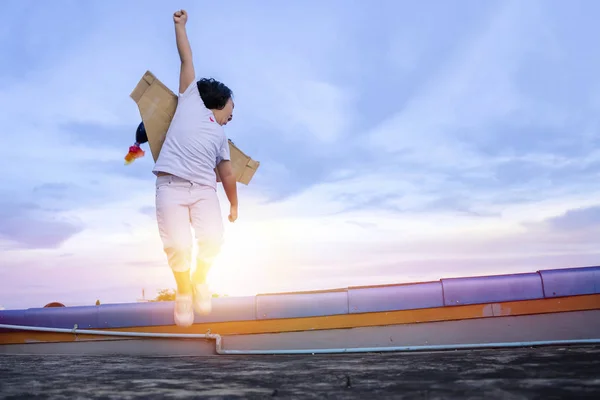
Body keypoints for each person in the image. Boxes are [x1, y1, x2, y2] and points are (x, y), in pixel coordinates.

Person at [152, 9, 238, 327]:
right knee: (177, 245)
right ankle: (184, 291)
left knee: (213, 239)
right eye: (232, 108)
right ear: (221, 101)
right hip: (170, 186)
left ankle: (201, 280)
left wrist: (234, 204)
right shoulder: (191, 100)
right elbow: (187, 60)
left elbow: (227, 173)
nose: (233, 115)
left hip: (203, 190)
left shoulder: (221, 138)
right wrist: (181, 26)